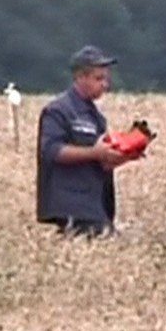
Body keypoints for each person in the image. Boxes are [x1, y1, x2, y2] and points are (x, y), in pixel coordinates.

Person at [35, 45, 141, 238]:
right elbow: (51, 151)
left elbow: (100, 162)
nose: (105, 85)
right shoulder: (58, 111)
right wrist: (95, 152)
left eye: (105, 79)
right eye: (98, 78)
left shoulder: (96, 118)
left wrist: (123, 155)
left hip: (95, 203)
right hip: (71, 203)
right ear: (80, 78)